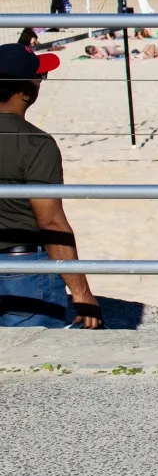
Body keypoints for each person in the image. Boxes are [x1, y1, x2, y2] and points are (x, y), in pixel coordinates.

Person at [1, 43, 100, 328]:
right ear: (25, 90)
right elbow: (52, 223)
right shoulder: (36, 144)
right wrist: (81, 292)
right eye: (39, 77)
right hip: (23, 270)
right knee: (29, 361)